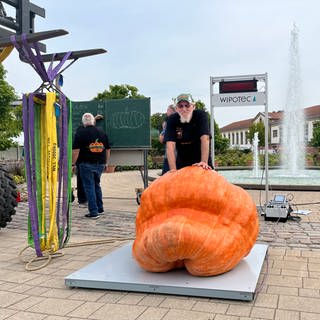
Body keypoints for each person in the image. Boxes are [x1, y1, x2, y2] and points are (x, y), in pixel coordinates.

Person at [72, 113, 111, 219]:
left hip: (86, 164)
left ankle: (93, 212)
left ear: (83, 123)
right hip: (100, 164)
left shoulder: (80, 133)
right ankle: (100, 209)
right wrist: (106, 163)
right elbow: (107, 149)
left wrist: (72, 164)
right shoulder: (102, 132)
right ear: (93, 121)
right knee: (97, 185)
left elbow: (76, 151)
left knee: (89, 187)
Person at [164, 93, 213, 171]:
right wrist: (173, 170)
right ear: (176, 109)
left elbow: (205, 138)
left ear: (193, 106)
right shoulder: (172, 119)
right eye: (180, 106)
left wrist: (204, 162)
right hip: (182, 164)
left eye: (187, 105)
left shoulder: (201, 115)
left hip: (201, 162)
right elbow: (170, 145)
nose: (184, 109)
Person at [74, 114, 104, 207]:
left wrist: (72, 163)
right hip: (87, 161)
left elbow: (89, 125)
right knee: (92, 185)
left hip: (83, 161)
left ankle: (88, 204)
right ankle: (90, 204)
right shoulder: (97, 132)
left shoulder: (81, 131)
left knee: (88, 184)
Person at [159, 104, 176, 175]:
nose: (166, 112)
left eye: (168, 110)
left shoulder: (169, 122)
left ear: (172, 111)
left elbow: (162, 139)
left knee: (166, 180)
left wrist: (163, 129)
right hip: (182, 158)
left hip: (170, 157)